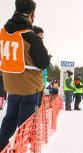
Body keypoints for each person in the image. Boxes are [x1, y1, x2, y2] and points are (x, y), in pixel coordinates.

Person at [0, 0, 50, 151]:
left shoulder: (2, 33)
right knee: (26, 125)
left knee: (9, 120)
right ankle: (18, 150)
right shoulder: (31, 37)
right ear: (31, 14)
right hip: (30, 88)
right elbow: (43, 62)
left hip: (12, 86)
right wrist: (39, 40)